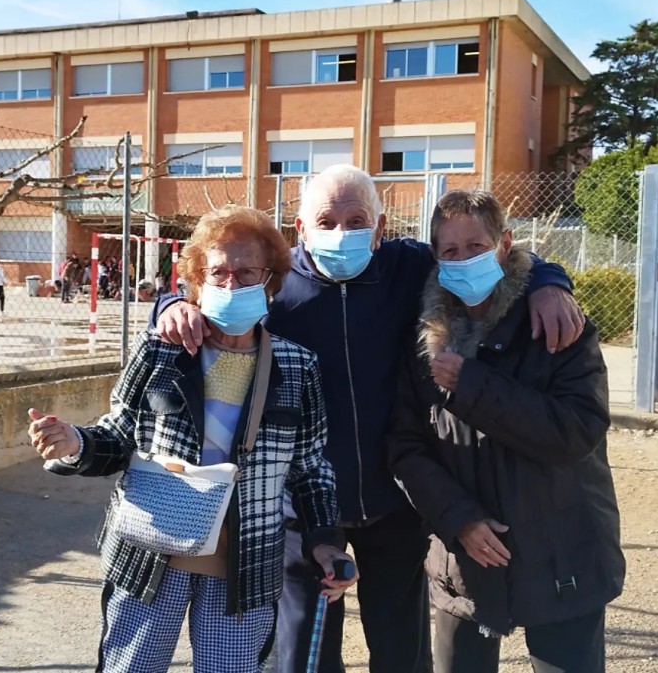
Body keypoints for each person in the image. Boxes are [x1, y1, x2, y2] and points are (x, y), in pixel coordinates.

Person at [155, 165, 584, 673]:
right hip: (303, 510)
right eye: (326, 221)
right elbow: (209, 292)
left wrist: (550, 282)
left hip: (395, 499)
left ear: (381, 229)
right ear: (301, 229)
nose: (342, 233)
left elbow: (485, 257)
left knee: (401, 654)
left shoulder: (409, 268)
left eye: (357, 220)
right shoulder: (273, 286)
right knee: (305, 657)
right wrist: (169, 304)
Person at [29, 205, 357, 672]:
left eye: (247, 273)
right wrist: (74, 444)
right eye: (218, 272)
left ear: (270, 281)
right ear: (198, 280)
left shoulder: (297, 367)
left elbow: (309, 469)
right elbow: (120, 433)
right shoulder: (160, 351)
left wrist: (324, 541)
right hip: (150, 553)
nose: (231, 284)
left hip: (245, 564)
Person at [388, 189, 625, 672]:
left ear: (505, 243)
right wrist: (458, 520)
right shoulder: (424, 340)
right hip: (465, 564)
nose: (464, 260)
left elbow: (576, 432)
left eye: (476, 246)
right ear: (436, 256)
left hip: (562, 556)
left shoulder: (556, 322)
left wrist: (472, 384)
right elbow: (406, 447)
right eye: (450, 250)